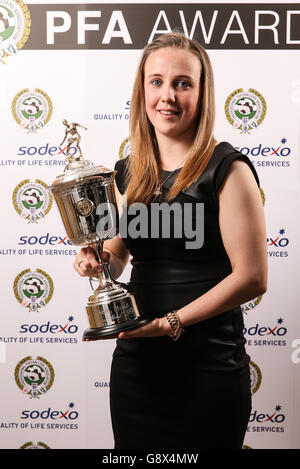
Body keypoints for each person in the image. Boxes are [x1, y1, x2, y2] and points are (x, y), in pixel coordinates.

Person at [73, 32, 268, 449]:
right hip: (138, 367)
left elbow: (252, 278)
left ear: (202, 93)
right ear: (141, 90)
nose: (167, 96)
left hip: (208, 368)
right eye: (156, 81)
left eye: (183, 83)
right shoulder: (126, 171)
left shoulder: (228, 170)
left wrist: (171, 323)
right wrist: (95, 259)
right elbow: (118, 255)